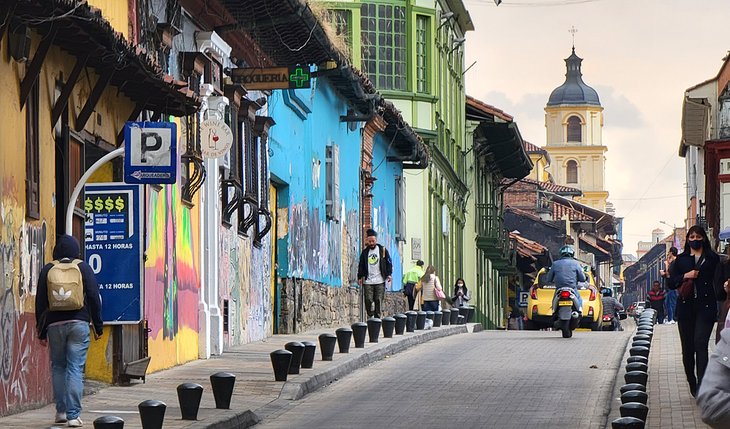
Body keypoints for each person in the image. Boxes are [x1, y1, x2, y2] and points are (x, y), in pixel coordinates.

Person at [35, 235, 103, 427]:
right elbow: (93, 297)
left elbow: (40, 302)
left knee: (58, 366)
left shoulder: (48, 269)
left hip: (54, 326)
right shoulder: (83, 267)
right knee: (75, 368)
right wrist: (98, 327)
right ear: (76, 251)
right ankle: (73, 416)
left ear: (57, 252)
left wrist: (41, 332)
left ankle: (61, 412)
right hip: (79, 324)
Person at [668, 225, 720, 397]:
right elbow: (670, 283)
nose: (695, 239)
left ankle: (703, 385)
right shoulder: (681, 260)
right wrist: (686, 275)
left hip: (706, 307)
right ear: (688, 239)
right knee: (688, 348)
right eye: (692, 237)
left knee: (701, 344)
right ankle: (692, 381)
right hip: (685, 308)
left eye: (698, 236)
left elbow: (718, 282)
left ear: (704, 238)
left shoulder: (712, 258)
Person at [357, 229, 393, 319]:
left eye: (373, 241)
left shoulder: (382, 250)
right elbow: (361, 265)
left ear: (376, 240)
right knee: (368, 300)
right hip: (368, 281)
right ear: (367, 241)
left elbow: (389, 262)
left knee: (378, 300)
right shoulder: (365, 253)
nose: (372, 243)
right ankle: (370, 314)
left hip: (380, 280)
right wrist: (360, 277)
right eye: (370, 241)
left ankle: (377, 318)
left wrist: (389, 274)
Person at [545, 245, 586, 311]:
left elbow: (549, 279)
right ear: (572, 254)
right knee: (579, 299)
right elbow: (583, 278)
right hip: (572, 288)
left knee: (554, 300)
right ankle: (580, 310)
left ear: (561, 254)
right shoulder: (576, 263)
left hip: (559, 288)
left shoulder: (555, 264)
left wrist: (551, 281)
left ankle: (553, 311)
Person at [661, 246, 679, 324]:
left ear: (671, 253)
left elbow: (669, 274)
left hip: (672, 286)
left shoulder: (674, 262)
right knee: (668, 302)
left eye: (669, 252)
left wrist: (666, 264)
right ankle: (671, 318)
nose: (668, 254)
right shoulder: (673, 262)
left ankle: (672, 318)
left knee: (671, 303)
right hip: (669, 286)